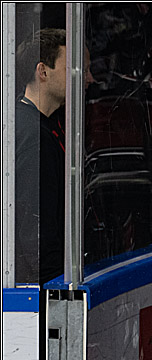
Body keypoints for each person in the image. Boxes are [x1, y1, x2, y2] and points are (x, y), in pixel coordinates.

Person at [14, 28, 94, 284]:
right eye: (78, 69)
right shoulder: (33, 136)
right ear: (43, 71)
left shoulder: (32, 123)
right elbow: (37, 234)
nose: (88, 78)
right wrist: (56, 291)